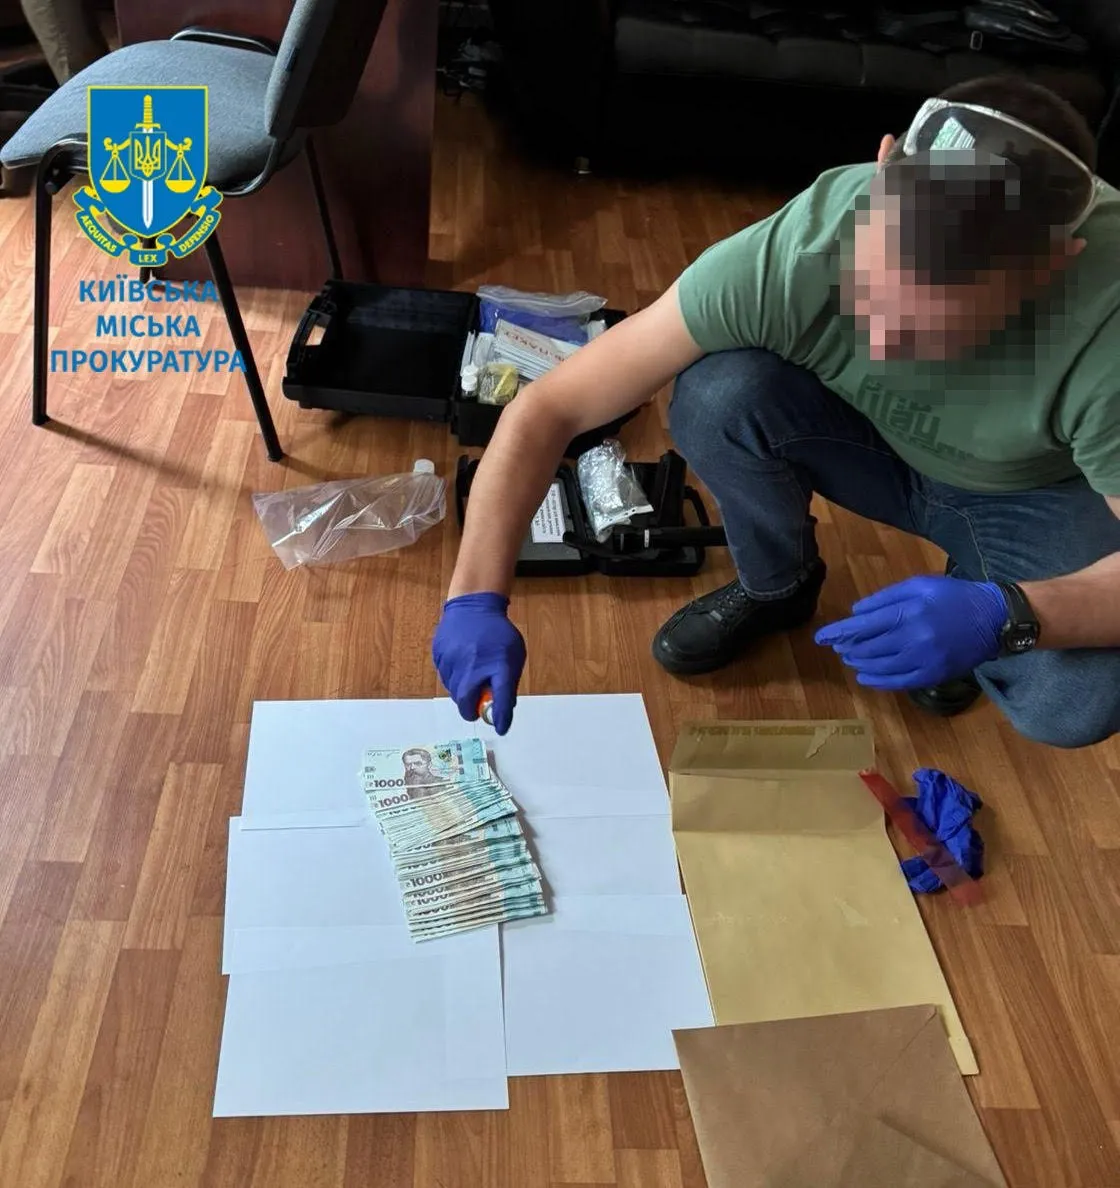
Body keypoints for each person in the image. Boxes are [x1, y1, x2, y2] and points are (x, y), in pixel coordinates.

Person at [431, 74, 1120, 749]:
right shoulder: (799, 248)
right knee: (719, 394)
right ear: (883, 167)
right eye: (876, 285)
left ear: (1051, 266)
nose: (884, 340)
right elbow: (550, 407)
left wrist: (1011, 614)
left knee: (1076, 699)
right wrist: (473, 599)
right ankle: (778, 587)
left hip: (1032, 496)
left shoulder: (1109, 336)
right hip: (873, 443)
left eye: (936, 320)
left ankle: (981, 594)